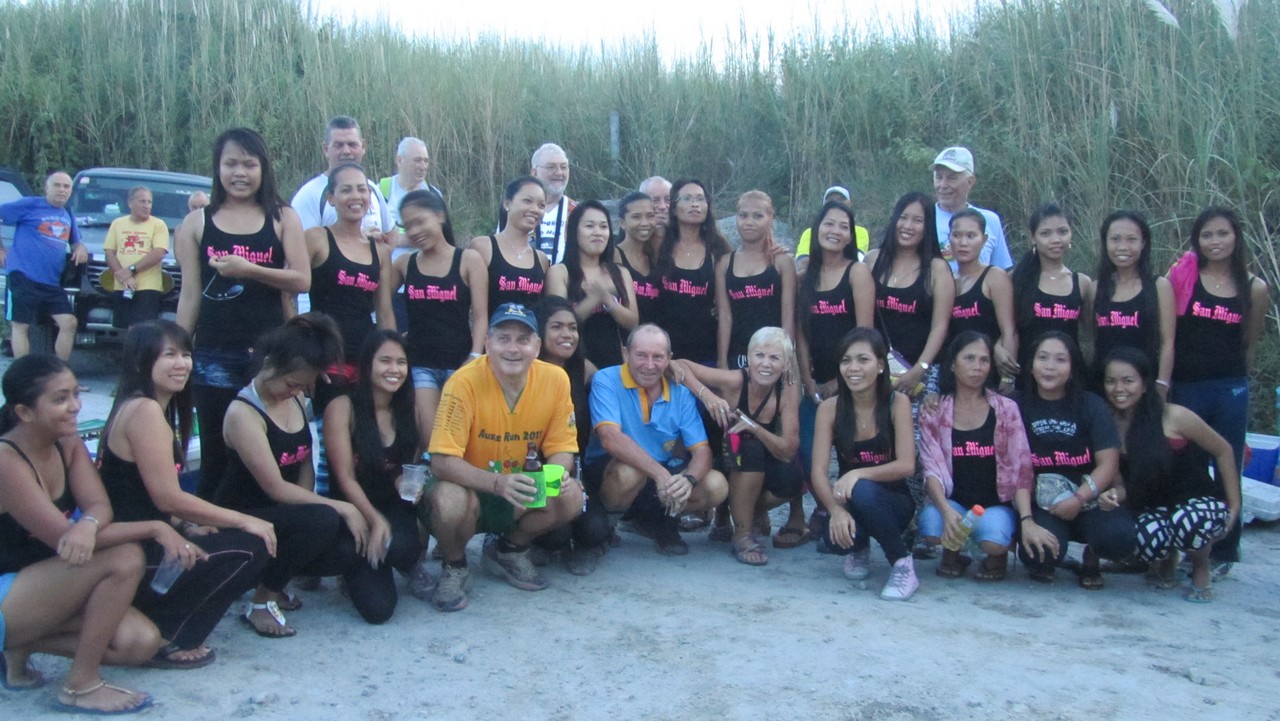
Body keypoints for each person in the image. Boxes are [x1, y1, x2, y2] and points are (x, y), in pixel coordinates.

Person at [98, 321, 274, 668]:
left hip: (146, 540)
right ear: (141, 361)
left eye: (186, 354)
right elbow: (167, 498)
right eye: (169, 355)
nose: (182, 363)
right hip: (133, 552)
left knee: (226, 535)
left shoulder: (144, 406)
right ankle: (172, 634)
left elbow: (143, 493)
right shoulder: (145, 411)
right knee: (251, 545)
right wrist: (245, 520)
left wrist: (186, 525)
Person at [0, 355, 167, 714]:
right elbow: (63, 540)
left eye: (76, 394)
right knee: (125, 556)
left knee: (140, 642)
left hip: (44, 585)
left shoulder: (67, 442)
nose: (75, 406)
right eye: (60, 399)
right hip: (9, 589)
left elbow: (98, 505)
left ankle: (20, 645)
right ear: (24, 412)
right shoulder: (6, 460)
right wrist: (156, 527)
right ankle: (81, 685)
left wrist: (88, 525)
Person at [212, 314, 375, 633]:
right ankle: (262, 600)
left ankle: (275, 576)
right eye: (291, 383)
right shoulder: (243, 414)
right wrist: (341, 507)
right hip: (244, 514)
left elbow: (304, 463)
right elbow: (274, 487)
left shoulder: (298, 397)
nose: (296, 390)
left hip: (281, 512)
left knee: (343, 544)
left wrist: (308, 512)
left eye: (303, 385)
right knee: (324, 518)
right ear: (269, 365)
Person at [175, 127, 310, 500]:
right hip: (213, 353)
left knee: (273, 449)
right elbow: (190, 296)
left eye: (249, 164)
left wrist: (248, 269)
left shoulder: (283, 217)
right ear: (217, 168)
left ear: (263, 168)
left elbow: (302, 279)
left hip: (268, 355)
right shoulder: (197, 223)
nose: (240, 172)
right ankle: (212, 526)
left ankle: (269, 520)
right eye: (230, 163)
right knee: (217, 452)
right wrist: (178, 351)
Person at [425, 303, 584, 611]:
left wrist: (559, 474)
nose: (513, 348)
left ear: (536, 346)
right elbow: (441, 460)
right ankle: (455, 563)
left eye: (523, 340)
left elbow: (562, 447)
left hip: (518, 488)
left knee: (572, 496)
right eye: (503, 338)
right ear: (487, 343)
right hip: (471, 486)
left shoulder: (556, 379)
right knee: (449, 501)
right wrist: (497, 483)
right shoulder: (463, 381)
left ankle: (509, 549)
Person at [1166, 207, 1268, 575]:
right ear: (1197, 240)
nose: (1215, 241)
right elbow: (1169, 333)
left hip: (1229, 387)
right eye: (1207, 235)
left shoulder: (1254, 288)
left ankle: (1225, 549)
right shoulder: (1184, 277)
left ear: (1236, 237)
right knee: (1188, 466)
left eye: (1222, 233)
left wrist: (1237, 381)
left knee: (1229, 463)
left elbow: (1248, 341)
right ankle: (1190, 544)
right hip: (1186, 385)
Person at [1101, 347, 1239, 601]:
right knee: (1144, 536)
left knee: (1189, 521)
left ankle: (1201, 567)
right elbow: (1120, 481)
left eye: (1128, 381)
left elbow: (1223, 450)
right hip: (1151, 504)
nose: (1119, 388)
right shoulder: (1106, 423)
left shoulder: (1174, 416)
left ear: (1145, 385)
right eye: (1111, 381)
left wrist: (1235, 503)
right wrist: (1112, 496)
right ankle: (1166, 559)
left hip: (1195, 501)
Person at [581, 324, 729, 556]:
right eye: (641, 355)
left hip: (658, 477)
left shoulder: (680, 391)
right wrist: (660, 474)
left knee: (716, 485)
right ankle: (608, 525)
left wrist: (688, 480)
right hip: (613, 472)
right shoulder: (606, 379)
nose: (649, 365)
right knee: (628, 473)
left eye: (658, 357)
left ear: (669, 359)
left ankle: (658, 522)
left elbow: (702, 451)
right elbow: (610, 438)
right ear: (625, 353)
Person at [670, 328, 802, 565]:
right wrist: (707, 396)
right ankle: (742, 534)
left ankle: (744, 511)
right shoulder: (734, 381)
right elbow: (679, 364)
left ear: (786, 365)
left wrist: (756, 429)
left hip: (752, 463)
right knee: (749, 448)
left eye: (775, 358)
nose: (766, 364)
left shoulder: (786, 391)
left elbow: (788, 449)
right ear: (748, 359)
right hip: (718, 459)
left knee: (791, 478)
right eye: (759, 356)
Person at [1015, 331, 1134, 588]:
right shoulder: (1016, 404)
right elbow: (1014, 467)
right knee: (1038, 555)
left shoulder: (1091, 405)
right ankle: (1058, 549)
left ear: (1072, 369)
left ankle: (1092, 555)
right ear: (1031, 366)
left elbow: (1108, 463)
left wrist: (1079, 499)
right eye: (1043, 358)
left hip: (1089, 499)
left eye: (1060, 360)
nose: (1050, 366)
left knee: (1120, 539)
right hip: (1043, 505)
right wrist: (1027, 520)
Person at [808, 328, 919, 600]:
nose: (853, 368)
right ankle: (859, 549)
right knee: (834, 539)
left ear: (880, 365)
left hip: (894, 502)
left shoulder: (897, 403)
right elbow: (818, 472)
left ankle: (902, 564)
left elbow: (907, 465)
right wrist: (835, 510)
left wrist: (857, 473)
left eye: (863, 360)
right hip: (851, 501)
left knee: (863, 489)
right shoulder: (829, 409)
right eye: (846, 361)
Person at [324, 330, 427, 620]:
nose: (394, 369)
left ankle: (394, 560)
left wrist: (405, 481)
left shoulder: (408, 408)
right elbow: (344, 478)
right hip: (353, 511)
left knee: (404, 548)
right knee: (378, 610)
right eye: (385, 361)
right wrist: (374, 520)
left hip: (392, 505)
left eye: (401, 362)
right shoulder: (342, 407)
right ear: (367, 363)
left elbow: (411, 461)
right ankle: (352, 567)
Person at [918, 332, 1035, 581]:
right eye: (969, 358)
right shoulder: (935, 411)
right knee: (931, 527)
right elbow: (931, 469)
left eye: (984, 360)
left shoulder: (1006, 409)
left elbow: (1022, 469)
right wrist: (946, 511)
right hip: (954, 501)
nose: (977, 367)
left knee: (994, 539)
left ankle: (996, 555)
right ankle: (953, 551)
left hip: (993, 504)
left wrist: (1026, 519)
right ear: (953, 364)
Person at [795, 200, 875, 543]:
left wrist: (839, 383)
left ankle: (852, 519)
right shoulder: (804, 277)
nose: (835, 231)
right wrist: (807, 379)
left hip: (853, 383)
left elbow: (865, 335)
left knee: (850, 456)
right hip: (813, 384)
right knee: (805, 450)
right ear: (817, 229)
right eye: (829, 223)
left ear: (851, 236)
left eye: (844, 226)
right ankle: (824, 509)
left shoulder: (857, 273)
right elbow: (799, 334)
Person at [394, 190, 487, 452]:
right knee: (430, 441)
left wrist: (474, 356)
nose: (414, 231)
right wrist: (393, 343)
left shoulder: (468, 260)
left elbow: (481, 316)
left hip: (460, 362)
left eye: (420, 221)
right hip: (420, 363)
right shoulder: (404, 263)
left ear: (440, 216)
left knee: (458, 439)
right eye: (408, 225)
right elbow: (378, 301)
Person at [301, 162, 395, 408]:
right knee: (333, 428)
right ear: (331, 198)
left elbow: (384, 312)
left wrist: (392, 358)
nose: (356, 196)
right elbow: (286, 294)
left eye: (362, 189)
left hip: (365, 355)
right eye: (346, 190)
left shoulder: (380, 250)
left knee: (365, 427)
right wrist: (301, 352)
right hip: (327, 356)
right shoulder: (316, 238)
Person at [531, 296, 605, 575]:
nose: (567, 334)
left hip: (574, 470)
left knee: (595, 530)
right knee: (556, 534)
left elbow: (619, 384)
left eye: (573, 328)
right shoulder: (524, 370)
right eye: (557, 327)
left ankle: (579, 540)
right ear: (539, 332)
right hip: (531, 471)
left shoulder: (582, 369)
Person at [864, 191, 953, 399]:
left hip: (920, 377)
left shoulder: (937, 269)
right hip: (875, 372)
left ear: (927, 226)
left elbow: (940, 326)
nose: (908, 226)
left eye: (917, 220)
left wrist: (920, 368)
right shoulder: (872, 260)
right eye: (903, 217)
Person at [0, 171, 86, 360]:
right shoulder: (30, 204)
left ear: (70, 191)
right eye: (57, 185)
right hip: (23, 276)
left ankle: (59, 370)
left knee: (69, 322)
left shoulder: (67, 213)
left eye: (66, 186)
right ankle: (24, 371)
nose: (62, 190)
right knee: (21, 325)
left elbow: (76, 242)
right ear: (47, 188)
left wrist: (80, 248)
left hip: (51, 283)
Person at [546, 200, 638, 369]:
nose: (598, 233)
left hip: (614, 364)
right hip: (573, 362)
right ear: (574, 231)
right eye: (589, 226)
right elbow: (559, 324)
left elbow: (632, 322)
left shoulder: (620, 273)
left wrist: (608, 301)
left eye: (603, 227)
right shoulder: (559, 272)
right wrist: (594, 298)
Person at [1010, 203, 1094, 387]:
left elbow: (1090, 336)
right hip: (1026, 376)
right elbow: (1007, 330)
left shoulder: (1082, 283)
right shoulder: (1016, 279)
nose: (1055, 240)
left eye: (1062, 232)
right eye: (1046, 233)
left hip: (1069, 378)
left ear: (1071, 233)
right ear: (1032, 237)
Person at [1090, 210, 1174, 390]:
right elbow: (1091, 339)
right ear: (1105, 242)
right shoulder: (1095, 289)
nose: (1123, 247)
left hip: (1145, 386)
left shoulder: (1159, 287)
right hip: (1102, 386)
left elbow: (1167, 342)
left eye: (1131, 239)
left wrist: (1162, 385)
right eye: (1115, 239)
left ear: (1143, 243)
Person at [652, 178, 730, 364]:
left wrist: (723, 362)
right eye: (687, 198)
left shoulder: (718, 249)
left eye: (700, 199)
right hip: (661, 353)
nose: (695, 204)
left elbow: (724, 311)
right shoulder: (658, 244)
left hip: (705, 353)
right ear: (673, 208)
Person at [715, 190, 796, 370]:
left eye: (757, 216)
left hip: (772, 357)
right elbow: (725, 317)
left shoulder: (782, 261)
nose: (749, 222)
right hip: (738, 356)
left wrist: (787, 361)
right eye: (743, 215)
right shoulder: (725, 263)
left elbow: (788, 316)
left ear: (770, 219)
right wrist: (722, 361)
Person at [945, 209, 1018, 390]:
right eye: (957, 235)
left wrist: (1007, 378)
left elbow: (1009, 331)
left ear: (984, 240)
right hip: (955, 375)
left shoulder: (994, 277)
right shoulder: (946, 281)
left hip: (988, 371)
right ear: (949, 238)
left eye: (971, 236)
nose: (963, 243)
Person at [289, 116, 394, 239]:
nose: (346, 151)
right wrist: (357, 238)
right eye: (338, 145)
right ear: (326, 149)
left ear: (363, 147)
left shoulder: (372, 188)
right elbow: (301, 244)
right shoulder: (309, 196)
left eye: (352, 144)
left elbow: (391, 233)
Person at [469, 176, 549, 313]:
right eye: (527, 201)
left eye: (541, 205)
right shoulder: (483, 247)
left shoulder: (542, 260)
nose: (535, 209)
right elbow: (473, 309)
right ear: (507, 204)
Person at [931, 146, 1013, 270]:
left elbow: (1003, 271)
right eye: (939, 177)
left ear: (970, 182)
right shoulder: (923, 220)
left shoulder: (989, 220)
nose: (943, 185)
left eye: (952, 178)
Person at [103, 186, 169, 328]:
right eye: (142, 201)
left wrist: (131, 269)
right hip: (122, 286)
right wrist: (123, 276)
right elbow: (109, 252)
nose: (147, 206)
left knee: (140, 329)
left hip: (147, 287)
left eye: (149, 202)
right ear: (130, 203)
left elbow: (159, 252)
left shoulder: (158, 225)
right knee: (125, 328)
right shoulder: (117, 223)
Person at [792, 185, 872, 274]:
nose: (836, 203)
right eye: (831, 201)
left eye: (840, 199)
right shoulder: (809, 232)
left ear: (849, 204)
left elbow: (856, 259)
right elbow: (802, 262)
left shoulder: (859, 232)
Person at [614, 191, 661, 322]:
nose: (644, 223)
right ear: (622, 223)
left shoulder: (656, 256)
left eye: (650, 216)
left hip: (656, 332)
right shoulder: (614, 256)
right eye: (636, 217)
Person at [378, 137, 444, 228]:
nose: (423, 167)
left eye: (426, 161)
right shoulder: (380, 192)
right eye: (417, 160)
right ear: (399, 161)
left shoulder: (434, 195)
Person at [530, 143, 576, 264]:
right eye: (551, 167)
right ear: (534, 173)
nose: (559, 172)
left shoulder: (577, 212)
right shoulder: (519, 210)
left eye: (563, 167)